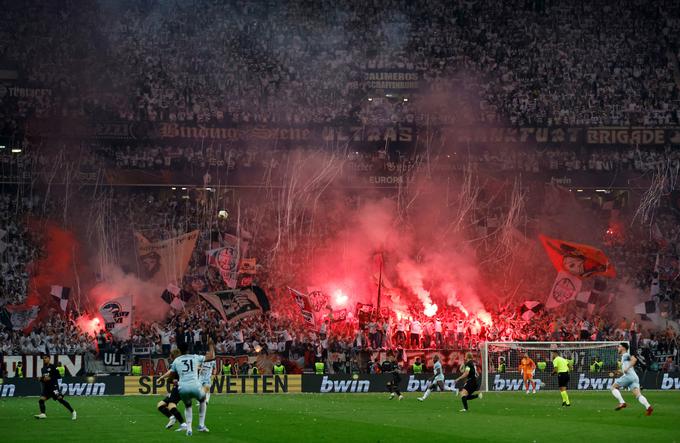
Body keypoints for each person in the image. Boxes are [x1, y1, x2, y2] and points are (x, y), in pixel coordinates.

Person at [158, 338, 215, 435]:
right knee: (202, 400)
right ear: (188, 349)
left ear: (179, 350)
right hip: (195, 386)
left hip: (183, 388)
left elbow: (171, 375)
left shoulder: (176, 361)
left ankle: (189, 429)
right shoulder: (195, 357)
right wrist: (210, 345)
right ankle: (201, 425)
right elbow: (211, 356)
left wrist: (164, 378)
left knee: (188, 406)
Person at [611, 342, 653, 416]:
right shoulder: (623, 357)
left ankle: (622, 402)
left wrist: (627, 368)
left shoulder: (625, 355)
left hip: (629, 376)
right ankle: (648, 407)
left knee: (613, 387)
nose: (618, 348)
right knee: (638, 395)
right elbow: (624, 370)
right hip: (634, 377)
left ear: (623, 348)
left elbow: (634, 360)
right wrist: (617, 372)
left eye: (619, 347)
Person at [34, 355, 76, 420]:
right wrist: (41, 379)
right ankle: (43, 414)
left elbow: (58, 376)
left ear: (49, 359)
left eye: (45, 358)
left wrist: (50, 378)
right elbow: (44, 378)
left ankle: (73, 412)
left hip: (53, 387)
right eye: (43, 358)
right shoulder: (43, 368)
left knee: (60, 399)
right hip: (47, 388)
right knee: (41, 400)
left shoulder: (53, 367)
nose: (44, 359)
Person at [157, 349, 186, 430]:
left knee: (171, 406)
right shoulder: (178, 363)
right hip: (176, 388)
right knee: (160, 405)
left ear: (173, 356)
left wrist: (161, 378)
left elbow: (170, 373)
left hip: (179, 388)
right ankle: (172, 418)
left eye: (170, 355)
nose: (169, 356)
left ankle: (183, 424)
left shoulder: (176, 363)